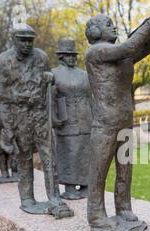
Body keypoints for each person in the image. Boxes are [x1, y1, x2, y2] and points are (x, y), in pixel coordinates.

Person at [85, 9, 150, 231]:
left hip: (123, 119)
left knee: (125, 168)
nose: (114, 27)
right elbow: (130, 46)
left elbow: (145, 47)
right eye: (108, 24)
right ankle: (96, 215)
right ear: (94, 32)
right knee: (100, 170)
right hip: (105, 122)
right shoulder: (97, 52)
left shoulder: (119, 56)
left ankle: (123, 208)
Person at [0, 24, 73, 218]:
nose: (27, 44)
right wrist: (7, 127)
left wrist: (50, 78)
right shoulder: (3, 61)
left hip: (40, 113)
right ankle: (27, 198)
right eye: (22, 40)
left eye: (30, 40)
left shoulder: (41, 57)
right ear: (13, 39)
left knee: (49, 155)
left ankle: (54, 196)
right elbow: (2, 98)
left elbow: (49, 85)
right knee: (24, 157)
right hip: (19, 113)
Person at [52, 39, 93, 200]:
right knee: (69, 153)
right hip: (66, 120)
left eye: (73, 55)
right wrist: (54, 118)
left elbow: (91, 98)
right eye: (67, 55)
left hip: (85, 118)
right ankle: (69, 186)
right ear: (61, 56)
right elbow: (50, 99)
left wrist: (95, 117)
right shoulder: (53, 74)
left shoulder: (84, 74)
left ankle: (85, 185)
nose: (71, 58)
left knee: (85, 153)